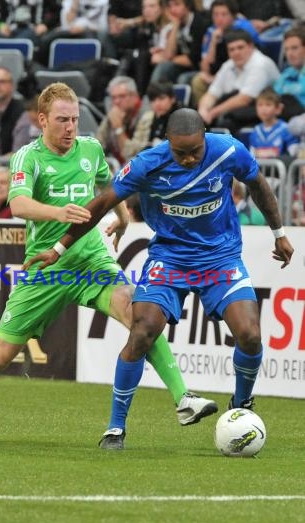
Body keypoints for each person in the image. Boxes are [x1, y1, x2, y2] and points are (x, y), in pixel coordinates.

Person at [0, 84, 217, 443]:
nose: (71, 127)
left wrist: (122, 218)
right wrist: (59, 213)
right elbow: (19, 206)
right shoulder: (29, 157)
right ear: (42, 120)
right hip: (45, 270)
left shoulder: (90, 149)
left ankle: (183, 398)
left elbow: (109, 187)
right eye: (62, 120)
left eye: (74, 119)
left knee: (141, 317)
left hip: (91, 260)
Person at [26, 108, 294, 450]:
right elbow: (103, 202)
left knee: (251, 335)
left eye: (195, 151)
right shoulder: (146, 165)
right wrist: (60, 248)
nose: (188, 158)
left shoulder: (228, 150)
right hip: (169, 259)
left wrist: (279, 233)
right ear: (167, 142)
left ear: (205, 137)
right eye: (180, 152)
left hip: (220, 258)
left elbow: (257, 183)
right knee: (141, 333)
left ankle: (241, 405)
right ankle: (115, 428)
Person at [198, 29, 280, 133]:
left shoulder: (261, 64)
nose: (236, 52)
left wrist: (212, 113)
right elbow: (212, 94)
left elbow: (244, 99)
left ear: (251, 46)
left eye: (240, 47)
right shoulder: (228, 65)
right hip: (238, 111)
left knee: (228, 120)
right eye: (231, 49)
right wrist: (203, 110)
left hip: (263, 111)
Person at [96, 76, 148, 166]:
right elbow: (97, 145)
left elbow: (132, 154)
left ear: (135, 96)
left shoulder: (146, 114)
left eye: (122, 96)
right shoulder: (113, 113)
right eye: (114, 98)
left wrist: (118, 128)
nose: (117, 102)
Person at [273, 26, 305, 121]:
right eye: (286, 49)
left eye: (294, 48)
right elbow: (274, 98)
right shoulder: (286, 74)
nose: (289, 54)